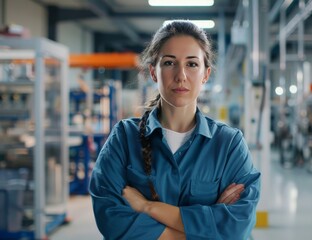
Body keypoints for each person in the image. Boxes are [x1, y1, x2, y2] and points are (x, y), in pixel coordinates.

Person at [89, 20, 261, 240]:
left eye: (192, 64)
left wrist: (147, 207)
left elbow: (237, 228)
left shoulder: (228, 144)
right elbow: (113, 222)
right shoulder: (124, 138)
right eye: (169, 63)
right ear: (153, 72)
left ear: (206, 74)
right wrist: (205, 229)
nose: (181, 75)